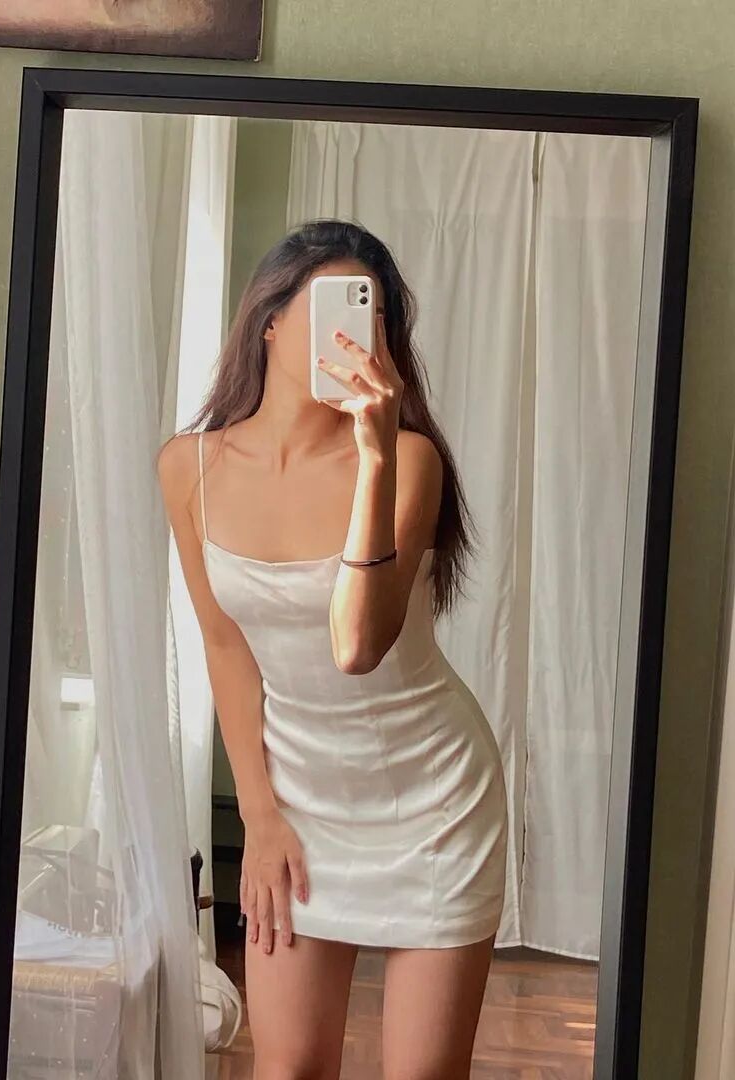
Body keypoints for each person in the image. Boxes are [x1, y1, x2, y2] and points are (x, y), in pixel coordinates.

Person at [156, 219, 509, 1079]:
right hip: (297, 804)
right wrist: (260, 815)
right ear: (270, 321)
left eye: (371, 316)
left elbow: (358, 644)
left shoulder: (410, 463)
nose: (353, 333)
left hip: (434, 802)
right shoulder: (187, 468)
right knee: (289, 1069)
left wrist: (374, 458)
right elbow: (225, 646)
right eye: (333, 306)